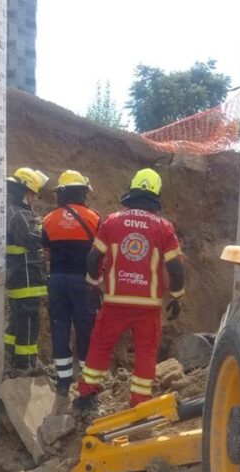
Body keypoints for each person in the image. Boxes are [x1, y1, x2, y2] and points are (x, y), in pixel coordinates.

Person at [72, 168, 185, 412]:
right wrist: (176, 296)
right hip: (148, 306)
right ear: (156, 194)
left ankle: (86, 395)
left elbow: (93, 259)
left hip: (114, 302)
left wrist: (94, 284)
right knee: (145, 352)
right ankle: (139, 404)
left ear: (132, 190)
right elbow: (176, 269)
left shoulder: (112, 222)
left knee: (100, 345)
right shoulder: (164, 227)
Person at [42, 170, 101, 396]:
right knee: (85, 328)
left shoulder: (48, 219)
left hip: (57, 280)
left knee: (60, 327)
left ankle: (63, 381)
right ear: (83, 192)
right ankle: (87, 381)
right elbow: (100, 253)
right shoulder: (94, 218)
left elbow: (47, 254)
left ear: (61, 194)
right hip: (83, 281)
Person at [5, 167, 50, 376]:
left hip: (19, 275)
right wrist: (43, 227)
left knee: (18, 319)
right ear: (23, 191)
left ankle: (12, 358)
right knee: (29, 319)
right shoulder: (19, 214)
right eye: (32, 193)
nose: (33, 198)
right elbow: (33, 239)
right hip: (26, 276)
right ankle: (26, 363)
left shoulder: (12, 210)